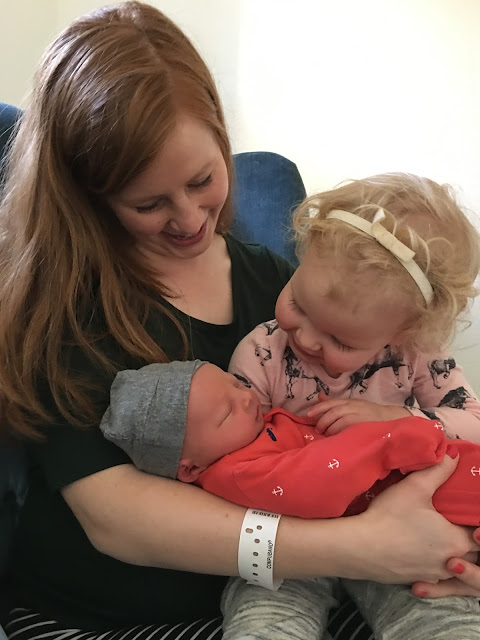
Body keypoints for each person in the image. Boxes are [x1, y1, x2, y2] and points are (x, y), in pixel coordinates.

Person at [0, 2, 479, 640]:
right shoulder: (66, 309)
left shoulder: (278, 283)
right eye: (149, 202)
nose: (188, 218)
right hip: (108, 617)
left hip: (307, 581)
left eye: (203, 179)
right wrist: (367, 547)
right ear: (91, 195)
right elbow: (117, 519)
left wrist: (449, 550)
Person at [225, 171, 480, 638]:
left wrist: (395, 420)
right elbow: (233, 454)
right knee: (264, 622)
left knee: (448, 622)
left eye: (340, 340)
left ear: (401, 334)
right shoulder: (261, 352)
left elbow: (473, 423)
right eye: (298, 304)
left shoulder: (417, 355)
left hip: (403, 529)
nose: (304, 338)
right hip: (295, 534)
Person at [99, 358, 480, 640]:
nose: (246, 399)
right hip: (296, 555)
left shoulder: (260, 427)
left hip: (401, 530)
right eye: (226, 412)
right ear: (190, 469)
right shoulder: (236, 471)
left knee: (442, 617)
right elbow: (320, 479)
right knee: (267, 619)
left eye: (235, 384)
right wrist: (393, 439)